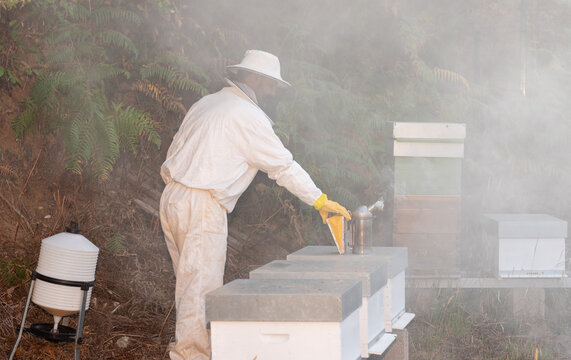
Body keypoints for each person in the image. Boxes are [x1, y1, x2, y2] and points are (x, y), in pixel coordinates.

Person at [159, 49, 351, 360]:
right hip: (202, 205)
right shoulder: (247, 116)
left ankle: (194, 348)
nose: (275, 92)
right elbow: (282, 167)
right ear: (257, 79)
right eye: (272, 85)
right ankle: (191, 355)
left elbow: (177, 146)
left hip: (172, 197)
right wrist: (319, 199)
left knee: (188, 281)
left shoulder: (207, 102)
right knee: (200, 287)